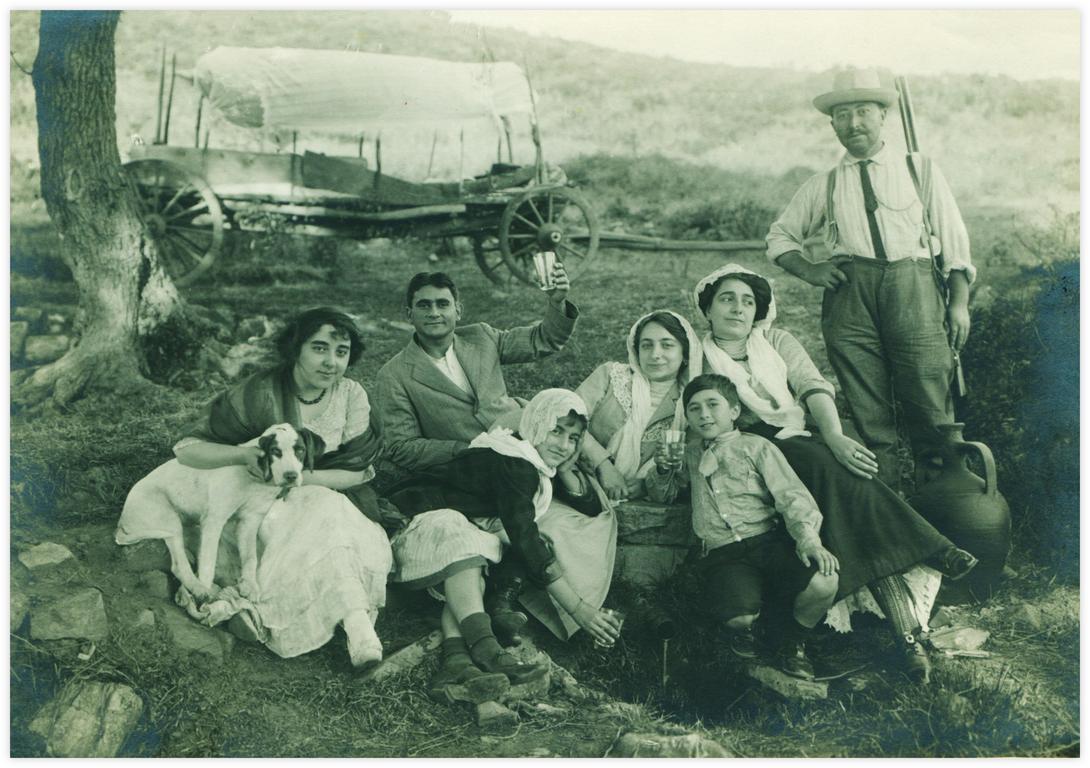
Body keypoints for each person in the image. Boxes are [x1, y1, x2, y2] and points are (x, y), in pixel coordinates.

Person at [691, 263, 978, 682]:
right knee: (841, 485)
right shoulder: (697, 354)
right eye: (726, 299)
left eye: (748, 301)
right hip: (746, 449)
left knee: (845, 491)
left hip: (797, 439)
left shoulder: (776, 340)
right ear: (708, 308)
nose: (737, 309)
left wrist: (836, 437)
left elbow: (813, 387)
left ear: (758, 312)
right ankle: (928, 566)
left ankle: (903, 634)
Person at [765, 68, 975, 492]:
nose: (853, 123)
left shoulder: (921, 171)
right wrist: (809, 269)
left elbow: (954, 243)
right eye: (842, 114)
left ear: (883, 116)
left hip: (913, 289)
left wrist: (958, 302)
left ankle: (945, 499)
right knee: (868, 408)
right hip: (850, 300)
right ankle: (890, 505)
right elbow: (779, 236)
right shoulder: (823, 184)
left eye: (863, 111)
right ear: (832, 124)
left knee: (929, 396)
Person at [169, 307, 396, 668]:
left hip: (332, 496)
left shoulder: (352, 395)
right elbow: (187, 450)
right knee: (319, 518)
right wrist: (243, 457)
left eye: (341, 352)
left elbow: (359, 472)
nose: (331, 363)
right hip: (259, 507)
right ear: (295, 348)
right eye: (319, 348)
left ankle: (356, 626)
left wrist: (300, 480)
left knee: (328, 514)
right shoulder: (261, 392)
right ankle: (356, 627)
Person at [384, 389, 621, 703]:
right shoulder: (515, 463)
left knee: (480, 549)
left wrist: (564, 469)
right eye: (556, 431)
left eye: (573, 438)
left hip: (448, 531)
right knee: (474, 543)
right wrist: (578, 609)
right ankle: (488, 651)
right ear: (535, 423)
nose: (564, 445)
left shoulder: (523, 457)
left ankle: (456, 662)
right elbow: (524, 535)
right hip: (409, 524)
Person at [648, 374, 840, 680]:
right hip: (724, 554)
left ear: (734, 411)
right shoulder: (689, 454)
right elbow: (664, 494)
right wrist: (662, 470)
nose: (704, 414)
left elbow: (791, 496)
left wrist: (809, 540)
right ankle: (749, 630)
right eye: (694, 409)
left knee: (824, 582)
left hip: (768, 542)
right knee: (739, 618)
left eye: (713, 405)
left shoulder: (756, 447)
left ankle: (794, 642)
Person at [374, 267, 578, 479]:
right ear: (410, 315)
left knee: (569, 408)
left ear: (458, 311)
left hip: (526, 433)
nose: (434, 313)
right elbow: (401, 447)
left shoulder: (481, 336)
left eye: (443, 304)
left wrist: (557, 302)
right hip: (479, 465)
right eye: (424, 305)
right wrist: (468, 449)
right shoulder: (393, 375)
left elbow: (542, 340)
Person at [574, 310, 702, 501]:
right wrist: (603, 465)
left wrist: (645, 484)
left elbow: (687, 459)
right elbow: (566, 418)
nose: (655, 354)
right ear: (637, 351)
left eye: (667, 345)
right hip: (581, 476)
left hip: (640, 494)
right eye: (646, 345)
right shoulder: (611, 376)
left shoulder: (691, 403)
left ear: (685, 354)